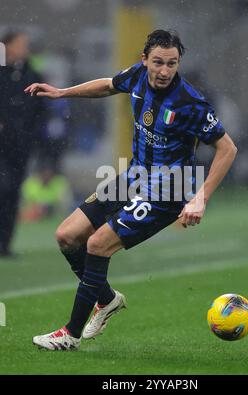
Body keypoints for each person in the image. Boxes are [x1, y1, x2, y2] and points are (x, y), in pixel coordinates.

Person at [25, 30, 237, 351]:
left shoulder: (190, 104)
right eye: (158, 63)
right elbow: (108, 85)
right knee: (67, 236)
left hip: (168, 189)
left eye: (172, 63)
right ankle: (107, 300)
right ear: (144, 60)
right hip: (135, 174)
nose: (165, 71)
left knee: (97, 244)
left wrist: (200, 197)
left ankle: (70, 333)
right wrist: (62, 92)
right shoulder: (137, 76)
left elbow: (227, 149)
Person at [0, 30, 46, 257]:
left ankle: (5, 245)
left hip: (20, 146)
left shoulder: (33, 75)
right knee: (3, 188)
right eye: (20, 43)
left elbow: (40, 110)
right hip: (2, 144)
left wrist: (32, 135)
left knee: (12, 195)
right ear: (6, 46)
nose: (24, 48)